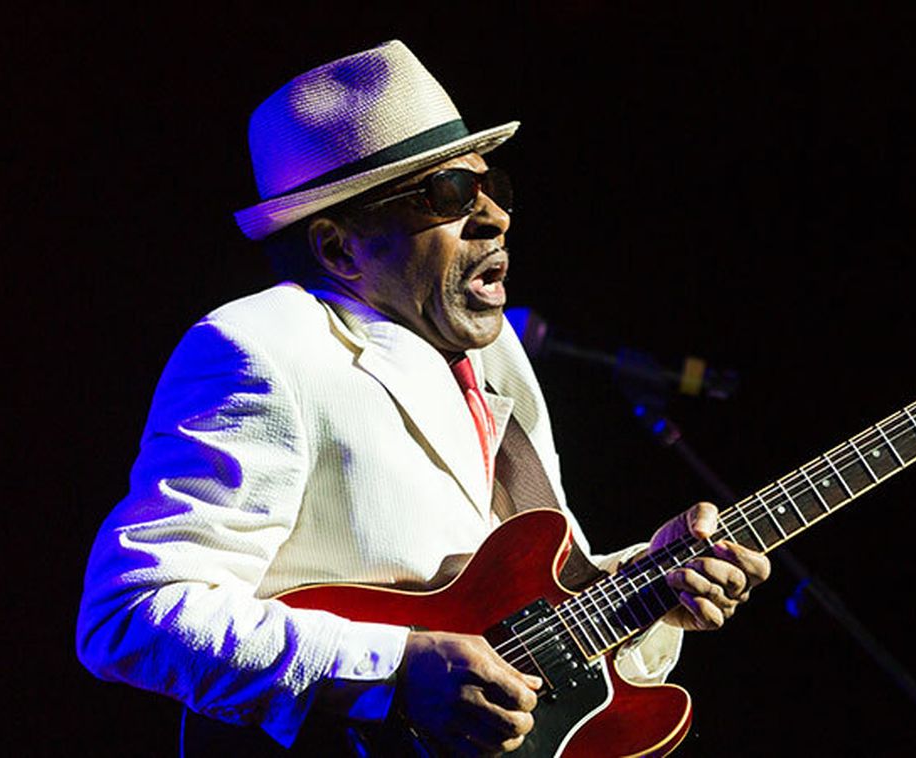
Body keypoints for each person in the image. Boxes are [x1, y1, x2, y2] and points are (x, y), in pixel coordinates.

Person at [76, 40, 770, 755]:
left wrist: (651, 592)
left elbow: (524, 618)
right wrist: (393, 671)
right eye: (447, 196)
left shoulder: (497, 358)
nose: (495, 216)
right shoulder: (262, 345)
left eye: (492, 185)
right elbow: (129, 613)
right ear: (339, 248)